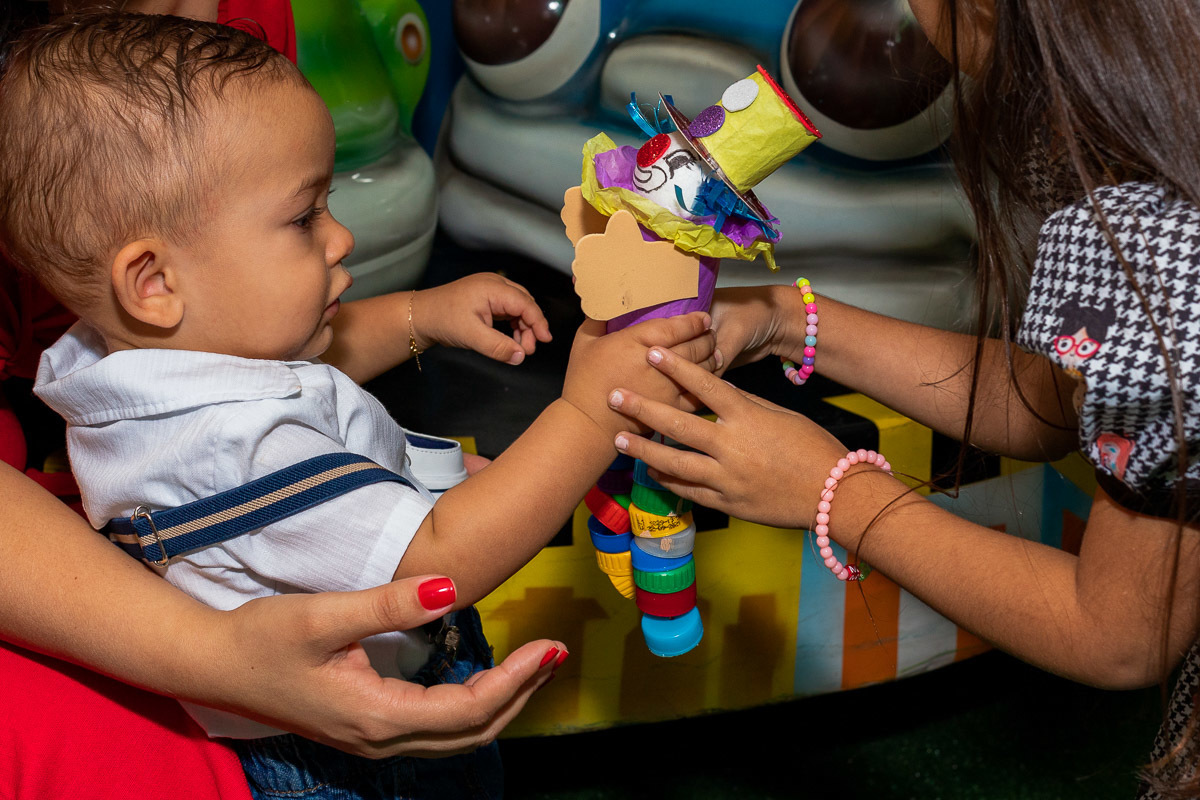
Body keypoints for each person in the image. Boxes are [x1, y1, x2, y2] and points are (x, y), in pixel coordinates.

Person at [0, 11, 715, 799]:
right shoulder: (237, 447)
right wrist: (588, 415)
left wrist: (419, 318)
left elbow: (302, 352)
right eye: (304, 217)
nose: (339, 238)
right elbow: (442, 555)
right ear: (155, 283)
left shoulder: (140, 366)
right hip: (346, 757)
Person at [603, 0, 1200, 797]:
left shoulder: (1159, 247)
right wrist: (785, 319)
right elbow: (1050, 404)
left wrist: (832, 491)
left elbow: (1117, 632)